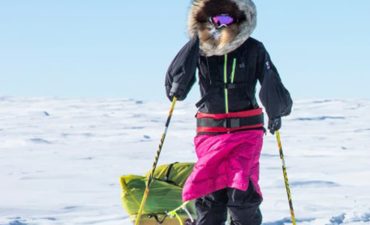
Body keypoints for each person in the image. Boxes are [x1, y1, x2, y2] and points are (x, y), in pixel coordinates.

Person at [165, 0, 293, 224]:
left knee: (242, 195)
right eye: (216, 20)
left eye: (227, 19)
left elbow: (271, 80)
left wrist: (276, 110)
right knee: (210, 194)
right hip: (210, 133)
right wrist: (195, 43)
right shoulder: (199, 50)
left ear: (239, 19)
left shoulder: (254, 48)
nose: (221, 25)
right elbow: (177, 80)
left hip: (246, 132)